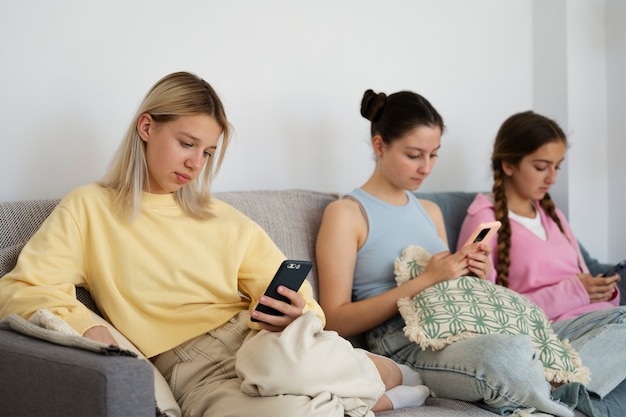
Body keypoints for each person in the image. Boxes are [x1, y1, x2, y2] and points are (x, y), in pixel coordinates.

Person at [0, 72, 431, 417]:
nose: (195, 162)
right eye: (187, 144)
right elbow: (23, 288)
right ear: (147, 127)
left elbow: (299, 297)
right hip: (191, 373)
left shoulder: (220, 217)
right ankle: (376, 397)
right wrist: (88, 327)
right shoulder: (89, 208)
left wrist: (296, 310)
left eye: (207, 152)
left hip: (259, 341)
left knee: (275, 362)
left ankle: (390, 373)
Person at [315, 90, 576, 417]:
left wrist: (473, 271)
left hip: (453, 326)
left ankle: (546, 390)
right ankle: (557, 398)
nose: (426, 167)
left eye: (434, 155)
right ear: (380, 146)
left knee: (539, 343)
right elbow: (334, 318)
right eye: (414, 155)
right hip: (402, 342)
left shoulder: (430, 210)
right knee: (509, 356)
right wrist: (426, 280)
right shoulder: (347, 213)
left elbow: (448, 290)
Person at [457, 110, 626, 416]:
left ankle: (563, 385)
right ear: (508, 164)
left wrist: (600, 290)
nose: (552, 178)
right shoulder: (484, 219)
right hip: (545, 332)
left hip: (594, 325)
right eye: (540, 166)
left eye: (557, 167)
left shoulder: (553, 215)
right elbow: (493, 313)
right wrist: (577, 291)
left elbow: (583, 281)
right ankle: (554, 385)